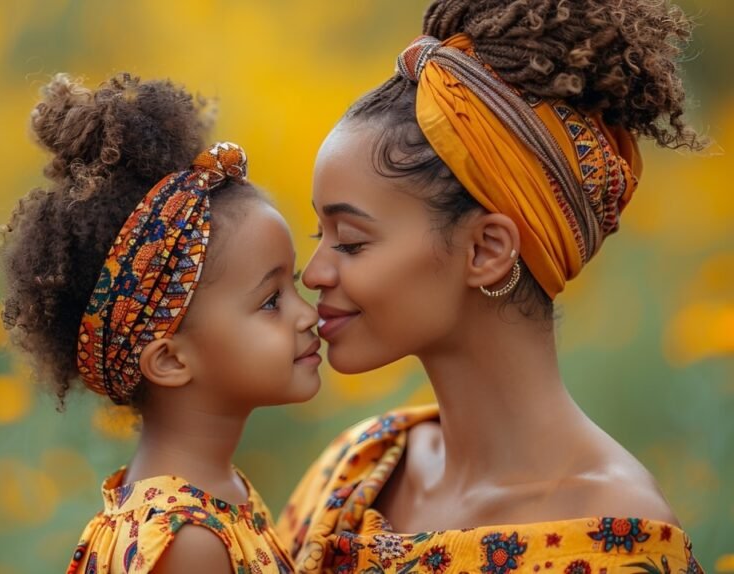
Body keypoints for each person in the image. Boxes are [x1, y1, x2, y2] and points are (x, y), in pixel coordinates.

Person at [279, 1, 706, 572]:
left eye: (351, 241)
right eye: (318, 233)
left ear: (486, 250)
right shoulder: (358, 468)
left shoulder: (615, 535)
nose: (313, 273)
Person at [0, 72, 321, 573]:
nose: (309, 314)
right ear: (170, 359)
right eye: (271, 301)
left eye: (294, 283)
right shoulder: (187, 540)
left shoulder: (210, 497)